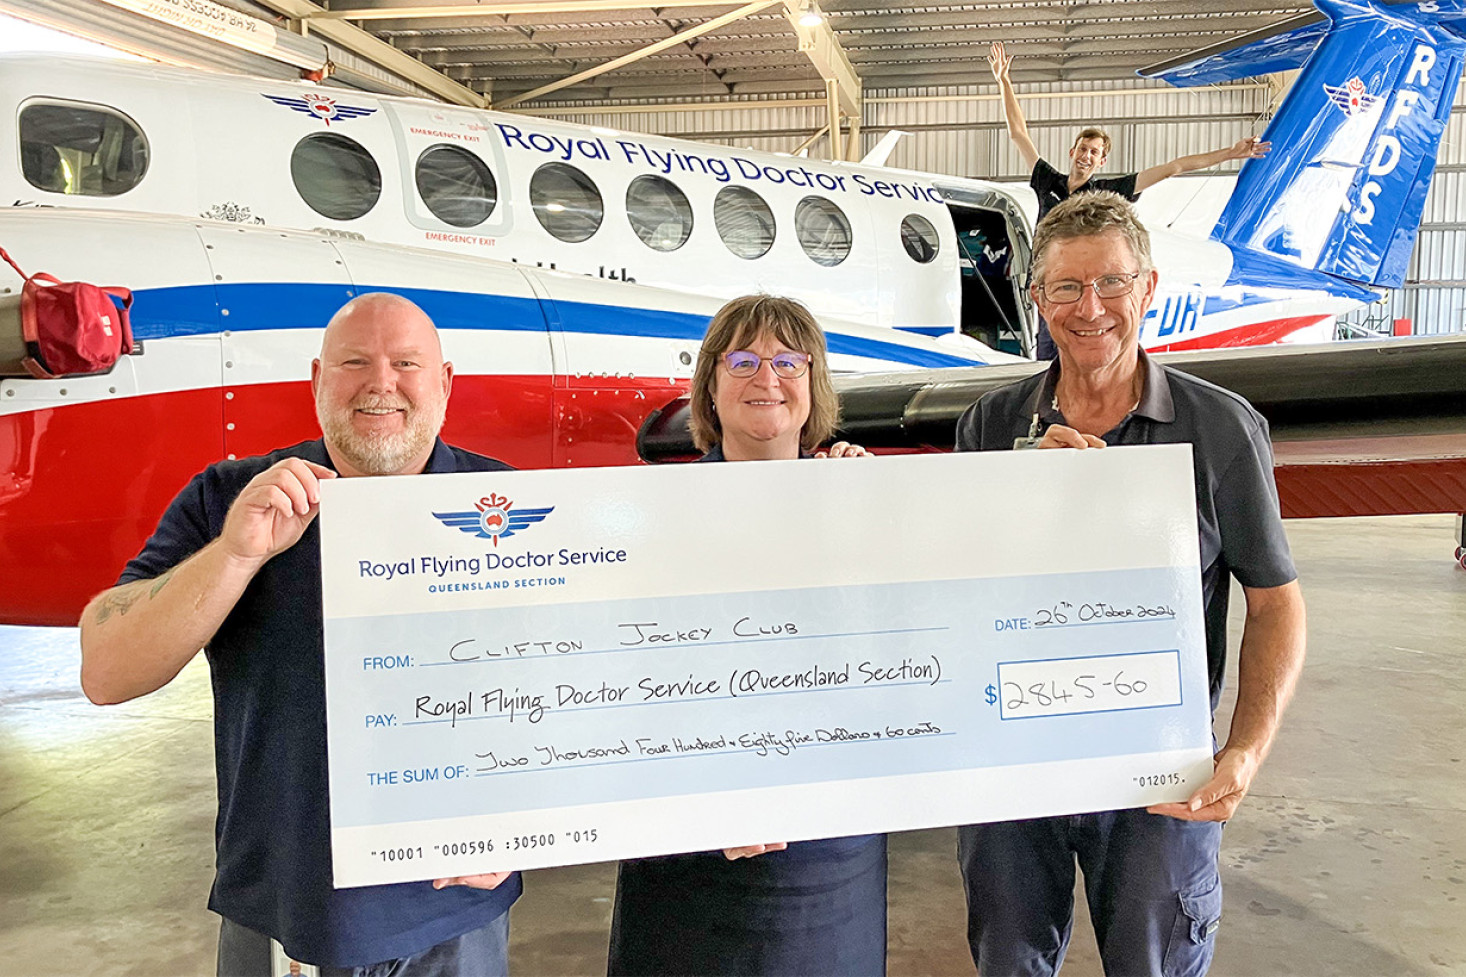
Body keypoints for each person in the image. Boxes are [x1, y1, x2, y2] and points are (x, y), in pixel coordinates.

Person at [78, 293, 521, 976]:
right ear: (316, 378)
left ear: (445, 383)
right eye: (354, 362)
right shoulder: (230, 496)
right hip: (285, 914)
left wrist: (526, 819)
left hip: (454, 914)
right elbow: (106, 670)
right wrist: (235, 553)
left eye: (406, 362)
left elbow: (566, 690)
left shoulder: (512, 508)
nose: (381, 382)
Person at [953, 192, 1307, 977]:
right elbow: (955, 593)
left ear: (1148, 288)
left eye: (1112, 283)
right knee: (1007, 957)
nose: (1091, 309)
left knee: (1155, 964)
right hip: (1015, 768)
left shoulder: (1220, 427)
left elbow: (1275, 599)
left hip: (1158, 776)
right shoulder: (985, 427)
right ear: (1038, 301)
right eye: (1067, 289)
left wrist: (1244, 750)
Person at [607, 294, 886, 977]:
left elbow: (900, 661)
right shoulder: (650, 518)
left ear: (813, 381)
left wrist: (876, 516)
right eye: (743, 360)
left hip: (827, 848)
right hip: (686, 848)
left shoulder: (865, 500)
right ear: (709, 383)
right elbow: (619, 682)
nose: (767, 377)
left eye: (788, 360)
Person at [988, 41, 1270, 359]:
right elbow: (1018, 134)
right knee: (1045, 360)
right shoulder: (1046, 180)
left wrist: (1231, 153)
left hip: (1080, 287)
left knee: (1071, 355)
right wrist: (1004, 81)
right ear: (1072, 152)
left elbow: (1172, 168)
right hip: (1049, 285)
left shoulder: (1106, 191)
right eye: (1083, 149)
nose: (1086, 156)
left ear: (1101, 162)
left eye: (1094, 152)